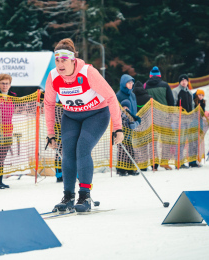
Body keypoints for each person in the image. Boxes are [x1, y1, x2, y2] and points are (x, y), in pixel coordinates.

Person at [44, 38, 124, 212]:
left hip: (96, 115)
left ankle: (84, 195)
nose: (60, 64)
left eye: (64, 60)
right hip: (71, 117)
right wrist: (50, 133)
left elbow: (111, 97)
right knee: (68, 152)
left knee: (82, 148)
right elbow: (49, 104)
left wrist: (118, 127)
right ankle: (68, 196)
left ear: (73, 60)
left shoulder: (88, 72)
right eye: (57, 60)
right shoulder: (53, 77)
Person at [0, 73, 18, 189]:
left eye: (7, 83)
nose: (5, 85)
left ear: (10, 85)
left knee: (2, 156)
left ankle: (0, 180)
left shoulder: (12, 96)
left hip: (8, 130)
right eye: (3, 83)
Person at [145, 66, 174, 171]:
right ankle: (164, 162)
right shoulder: (165, 85)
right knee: (166, 139)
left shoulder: (145, 86)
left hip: (151, 117)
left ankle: (154, 164)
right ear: (159, 75)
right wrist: (171, 115)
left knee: (153, 140)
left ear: (150, 75)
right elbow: (171, 101)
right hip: (164, 116)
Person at [173, 74, 196, 168]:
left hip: (189, 120)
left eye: (185, 80)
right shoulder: (175, 91)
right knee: (180, 141)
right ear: (179, 82)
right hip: (179, 120)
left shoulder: (190, 93)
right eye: (182, 80)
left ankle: (192, 161)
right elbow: (173, 105)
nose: (184, 82)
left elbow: (193, 105)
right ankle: (179, 162)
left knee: (190, 140)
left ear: (188, 81)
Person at [116, 100, 141, 176]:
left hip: (129, 137)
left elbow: (137, 118)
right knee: (121, 153)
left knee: (130, 153)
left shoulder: (129, 114)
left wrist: (135, 123)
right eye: (124, 106)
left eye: (127, 107)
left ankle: (130, 169)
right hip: (121, 137)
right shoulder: (120, 113)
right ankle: (121, 170)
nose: (125, 108)